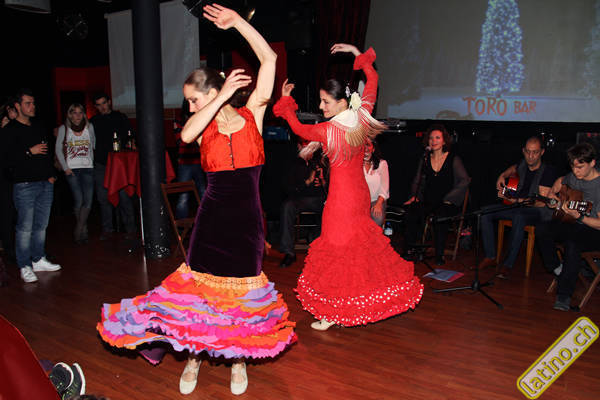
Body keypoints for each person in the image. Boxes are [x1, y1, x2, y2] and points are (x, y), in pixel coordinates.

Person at [96, 4, 296, 396]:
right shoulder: (202, 128)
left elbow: (269, 59)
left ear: (211, 93)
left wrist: (239, 23)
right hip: (212, 222)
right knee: (200, 296)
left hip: (248, 224)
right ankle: (193, 357)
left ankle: (238, 359)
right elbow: (186, 135)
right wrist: (218, 98)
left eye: (192, 99)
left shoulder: (253, 115)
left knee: (240, 297)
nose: (189, 106)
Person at [273, 43, 423, 331]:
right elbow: (373, 80)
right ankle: (352, 304)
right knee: (355, 249)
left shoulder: (328, 130)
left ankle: (333, 312)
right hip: (359, 196)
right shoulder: (362, 117)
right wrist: (356, 53)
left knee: (337, 251)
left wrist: (286, 100)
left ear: (342, 102)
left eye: (325, 102)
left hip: (341, 201)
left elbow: (297, 128)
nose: (321, 107)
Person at [478, 136, 556, 278]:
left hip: (538, 211)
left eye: (535, 152)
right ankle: (490, 256)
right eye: (528, 152)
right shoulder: (522, 165)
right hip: (517, 206)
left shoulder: (547, 171)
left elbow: (541, 202)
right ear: (523, 151)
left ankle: (507, 265)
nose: (531, 156)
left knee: (519, 217)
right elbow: (512, 168)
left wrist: (514, 200)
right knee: (485, 212)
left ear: (542, 152)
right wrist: (502, 176)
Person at [4, 89, 61, 283]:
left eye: (33, 103)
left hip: (45, 183)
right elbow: (7, 159)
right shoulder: (10, 130)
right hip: (24, 185)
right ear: (17, 106)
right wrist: (29, 151)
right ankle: (24, 265)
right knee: (25, 227)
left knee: (41, 225)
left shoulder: (38, 126)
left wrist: (51, 175)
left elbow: (46, 153)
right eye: (28, 103)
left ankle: (38, 259)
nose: (32, 106)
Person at [535, 142, 600, 311]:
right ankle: (557, 269)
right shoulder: (573, 176)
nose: (576, 171)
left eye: (580, 167)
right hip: (575, 224)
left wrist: (580, 216)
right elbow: (560, 181)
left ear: (593, 163)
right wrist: (553, 198)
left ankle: (564, 296)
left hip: (594, 230)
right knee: (542, 229)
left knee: (572, 244)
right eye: (573, 166)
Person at [403, 124, 470, 265]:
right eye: (431, 138)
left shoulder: (453, 159)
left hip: (447, 201)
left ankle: (439, 254)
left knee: (441, 216)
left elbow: (465, 180)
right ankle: (410, 250)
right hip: (428, 200)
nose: (433, 141)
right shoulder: (425, 158)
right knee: (411, 210)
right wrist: (414, 196)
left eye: (437, 138)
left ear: (444, 141)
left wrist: (450, 198)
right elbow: (417, 180)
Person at [90, 92, 136, 239]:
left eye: (104, 103)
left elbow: (131, 136)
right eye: (99, 105)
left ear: (109, 102)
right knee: (103, 198)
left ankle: (130, 228)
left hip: (119, 164)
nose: (102, 107)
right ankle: (107, 229)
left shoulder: (120, 117)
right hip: (101, 163)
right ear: (95, 107)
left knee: (124, 196)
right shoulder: (93, 121)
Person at [279, 142, 328, 267]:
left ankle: (316, 243)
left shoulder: (321, 161)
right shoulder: (293, 164)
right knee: (287, 206)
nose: (308, 149)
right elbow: (288, 189)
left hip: (320, 199)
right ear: (299, 147)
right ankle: (289, 252)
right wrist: (307, 182)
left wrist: (323, 181)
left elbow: (332, 188)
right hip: (300, 199)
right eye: (305, 146)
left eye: (311, 146)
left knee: (330, 209)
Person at [55, 104, 96, 244]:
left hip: (88, 168)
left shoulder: (89, 127)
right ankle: (83, 231)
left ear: (84, 114)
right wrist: (65, 167)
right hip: (72, 169)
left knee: (88, 201)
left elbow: (93, 146)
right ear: (70, 114)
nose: (77, 116)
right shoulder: (64, 128)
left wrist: (91, 163)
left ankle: (78, 229)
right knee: (79, 200)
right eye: (75, 113)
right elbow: (58, 149)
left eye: (80, 112)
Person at [173, 98, 206, 219]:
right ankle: (182, 226)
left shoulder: (200, 117)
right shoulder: (179, 119)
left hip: (198, 161)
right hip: (185, 161)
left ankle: (208, 221)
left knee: (203, 193)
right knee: (183, 195)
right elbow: (180, 141)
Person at [0, 99, 18, 263]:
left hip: (16, 176)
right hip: (4, 178)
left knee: (18, 213)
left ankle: (17, 247)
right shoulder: (5, 127)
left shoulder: (15, 127)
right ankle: (9, 248)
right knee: (7, 213)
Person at [363, 140, 389, 226]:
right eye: (363, 146)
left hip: (376, 200)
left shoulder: (382, 164)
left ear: (373, 149)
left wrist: (378, 204)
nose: (366, 148)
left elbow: (385, 187)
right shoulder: (356, 165)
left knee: (377, 218)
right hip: (361, 202)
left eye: (368, 145)